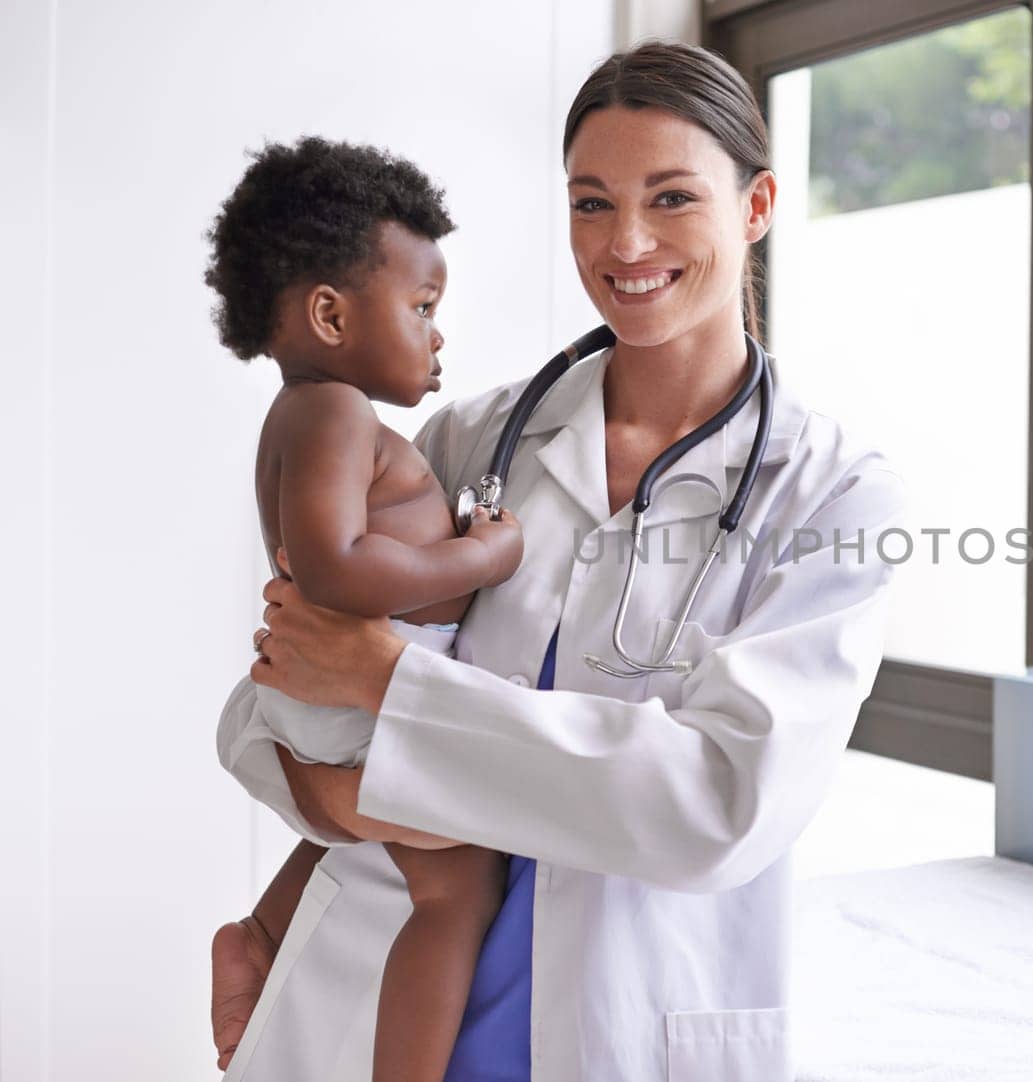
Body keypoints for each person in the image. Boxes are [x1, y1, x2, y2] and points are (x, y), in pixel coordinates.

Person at [215, 41, 907, 1081]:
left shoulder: (832, 491)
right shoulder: (470, 443)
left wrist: (397, 692)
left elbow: (720, 805)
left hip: (626, 1028)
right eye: (591, 203)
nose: (625, 242)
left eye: (672, 197)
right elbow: (273, 698)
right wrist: (330, 804)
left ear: (756, 205)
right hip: (381, 1005)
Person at [203, 138, 525, 1080]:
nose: (437, 335)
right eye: (422, 307)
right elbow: (334, 568)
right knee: (456, 887)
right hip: (346, 690)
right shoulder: (335, 415)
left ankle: (261, 929)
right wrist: (482, 552)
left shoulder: (319, 416)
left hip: (335, 693)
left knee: (382, 838)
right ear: (331, 314)